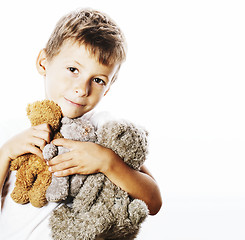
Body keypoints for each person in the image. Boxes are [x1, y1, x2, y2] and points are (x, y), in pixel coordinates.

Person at [0, 8, 162, 239]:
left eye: (97, 80)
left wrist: (107, 161)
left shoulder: (103, 130)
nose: (82, 89)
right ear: (43, 62)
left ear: (108, 88)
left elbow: (153, 201)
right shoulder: (10, 133)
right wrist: (5, 153)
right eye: (73, 70)